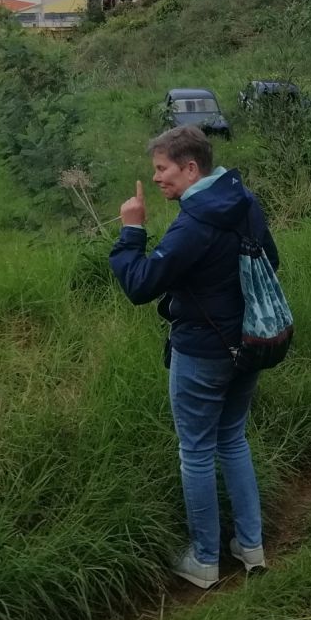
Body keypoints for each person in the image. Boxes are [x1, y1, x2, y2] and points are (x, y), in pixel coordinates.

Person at [110, 125, 277, 590]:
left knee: (197, 451)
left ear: (190, 167)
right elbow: (271, 260)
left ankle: (205, 559)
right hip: (249, 341)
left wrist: (132, 230)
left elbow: (140, 284)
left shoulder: (194, 222)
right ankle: (251, 546)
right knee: (233, 439)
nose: (156, 178)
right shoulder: (244, 201)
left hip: (203, 349)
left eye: (162, 169)